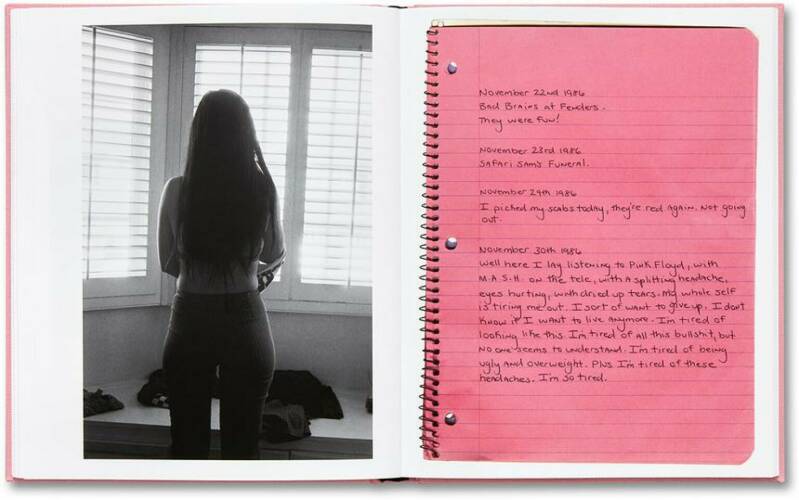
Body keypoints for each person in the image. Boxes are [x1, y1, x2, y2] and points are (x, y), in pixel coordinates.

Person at [157, 89, 285, 459]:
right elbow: (274, 254)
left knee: (187, 446)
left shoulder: (177, 189)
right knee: (242, 449)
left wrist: (201, 271)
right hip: (245, 317)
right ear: (247, 134)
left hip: (191, 317)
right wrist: (248, 271)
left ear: (199, 133)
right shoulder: (261, 189)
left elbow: (168, 262)